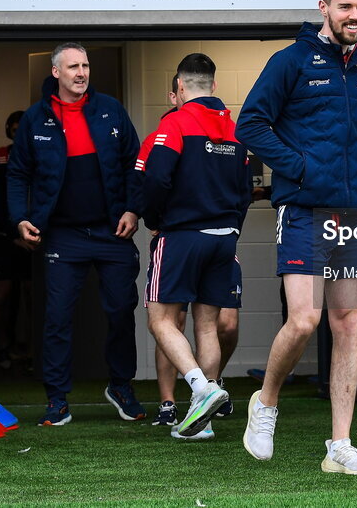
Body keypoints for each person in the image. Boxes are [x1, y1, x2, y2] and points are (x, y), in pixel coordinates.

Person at [236, 0, 357, 475]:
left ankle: (339, 445)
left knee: (347, 322)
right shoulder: (291, 60)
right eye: (345, 8)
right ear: (324, 7)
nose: (355, 17)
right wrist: (296, 167)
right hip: (303, 210)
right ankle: (266, 402)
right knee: (305, 319)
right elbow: (250, 122)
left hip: (353, 213)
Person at [6, 42, 145, 426]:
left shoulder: (110, 109)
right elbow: (18, 174)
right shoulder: (36, 119)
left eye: (85, 66)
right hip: (63, 236)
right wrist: (20, 218)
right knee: (58, 318)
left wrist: (134, 210)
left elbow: (136, 163)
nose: (81, 73)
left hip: (112, 232)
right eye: (72, 67)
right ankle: (57, 399)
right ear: (56, 73)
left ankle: (120, 385)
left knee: (120, 311)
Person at [137, 53, 252, 440]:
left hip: (183, 236)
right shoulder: (235, 130)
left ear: (180, 87)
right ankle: (199, 422)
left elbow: (155, 180)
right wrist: (233, 227)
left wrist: (155, 221)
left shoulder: (176, 123)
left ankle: (202, 389)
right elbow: (245, 192)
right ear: (214, 86)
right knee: (206, 326)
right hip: (223, 239)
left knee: (160, 320)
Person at [0, 111, 31, 371]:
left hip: (35, 237)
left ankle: (32, 352)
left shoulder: (44, 154)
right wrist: (14, 235)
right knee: (0, 297)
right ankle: (2, 348)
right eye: (14, 129)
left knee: (32, 298)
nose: (18, 133)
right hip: (4, 237)